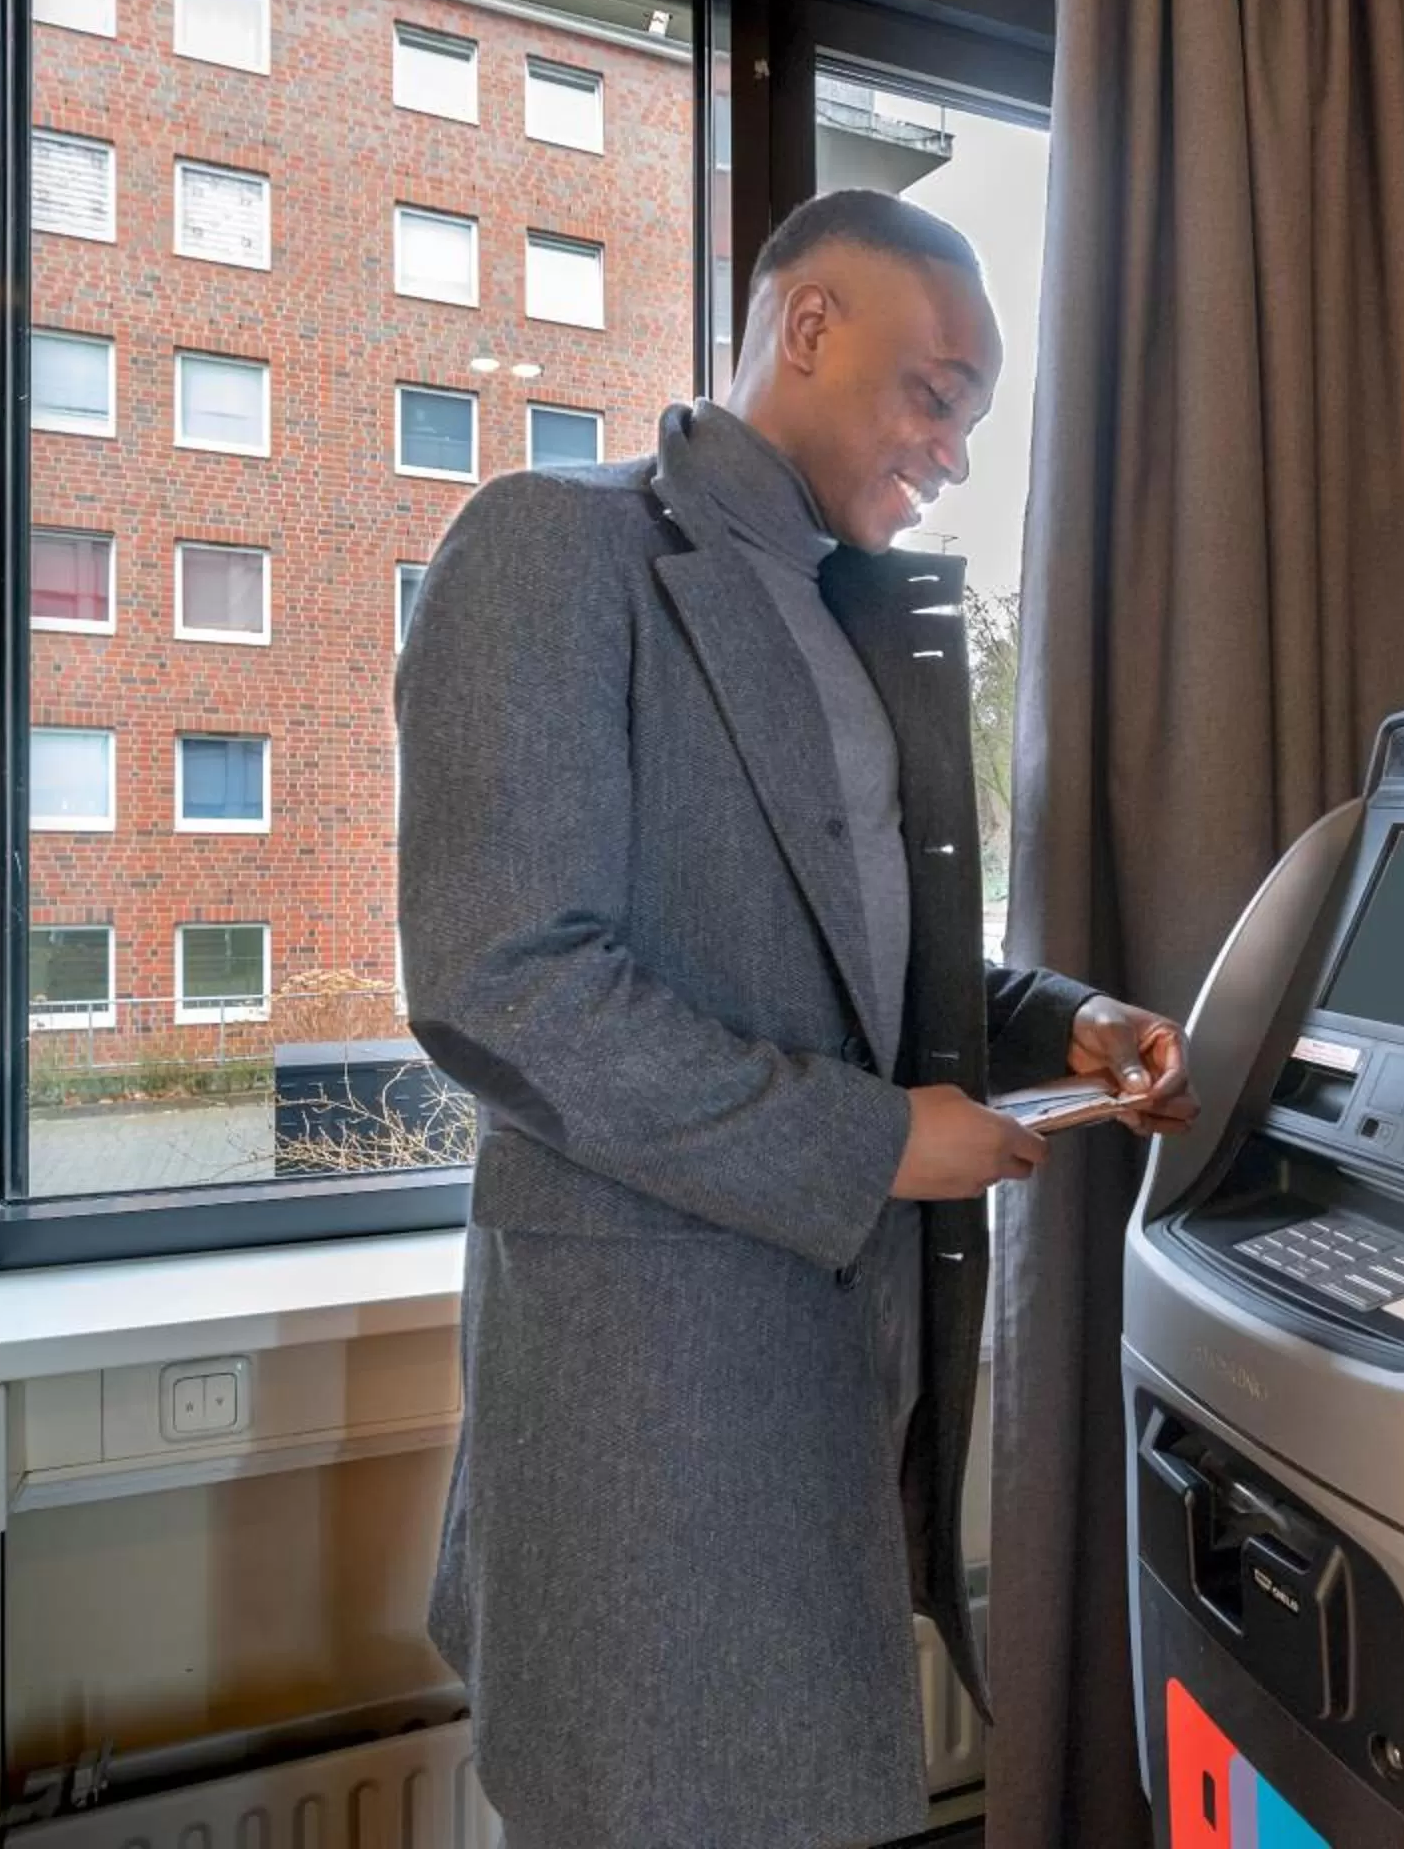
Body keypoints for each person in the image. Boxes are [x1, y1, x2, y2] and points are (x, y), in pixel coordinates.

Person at [397, 187, 1197, 1846]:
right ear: (811, 326)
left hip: (839, 1398)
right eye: (938, 395)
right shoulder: (553, 546)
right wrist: (873, 1142)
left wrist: (1062, 1023)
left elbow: (860, 965)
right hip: (648, 1437)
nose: (954, 453)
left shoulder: (848, 610)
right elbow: (504, 980)